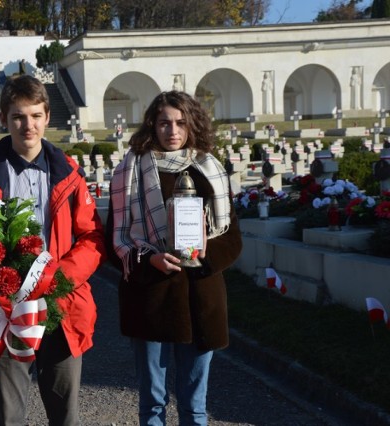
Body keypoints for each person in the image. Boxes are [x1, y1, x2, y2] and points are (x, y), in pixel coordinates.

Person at [0, 74, 106, 425]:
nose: (28, 125)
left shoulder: (68, 174)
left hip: (61, 303)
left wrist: (60, 278)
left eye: (35, 116)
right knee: (9, 417)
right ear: (4, 119)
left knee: (64, 415)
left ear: (47, 117)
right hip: (8, 308)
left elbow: (91, 237)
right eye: (18, 117)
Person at [107, 91, 242, 426]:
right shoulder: (130, 171)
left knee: (195, 405)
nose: (173, 130)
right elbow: (115, 240)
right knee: (153, 401)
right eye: (165, 122)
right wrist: (148, 261)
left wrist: (205, 258)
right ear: (153, 124)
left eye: (181, 122)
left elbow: (232, 238)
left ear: (192, 124)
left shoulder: (209, 169)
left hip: (201, 296)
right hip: (151, 295)